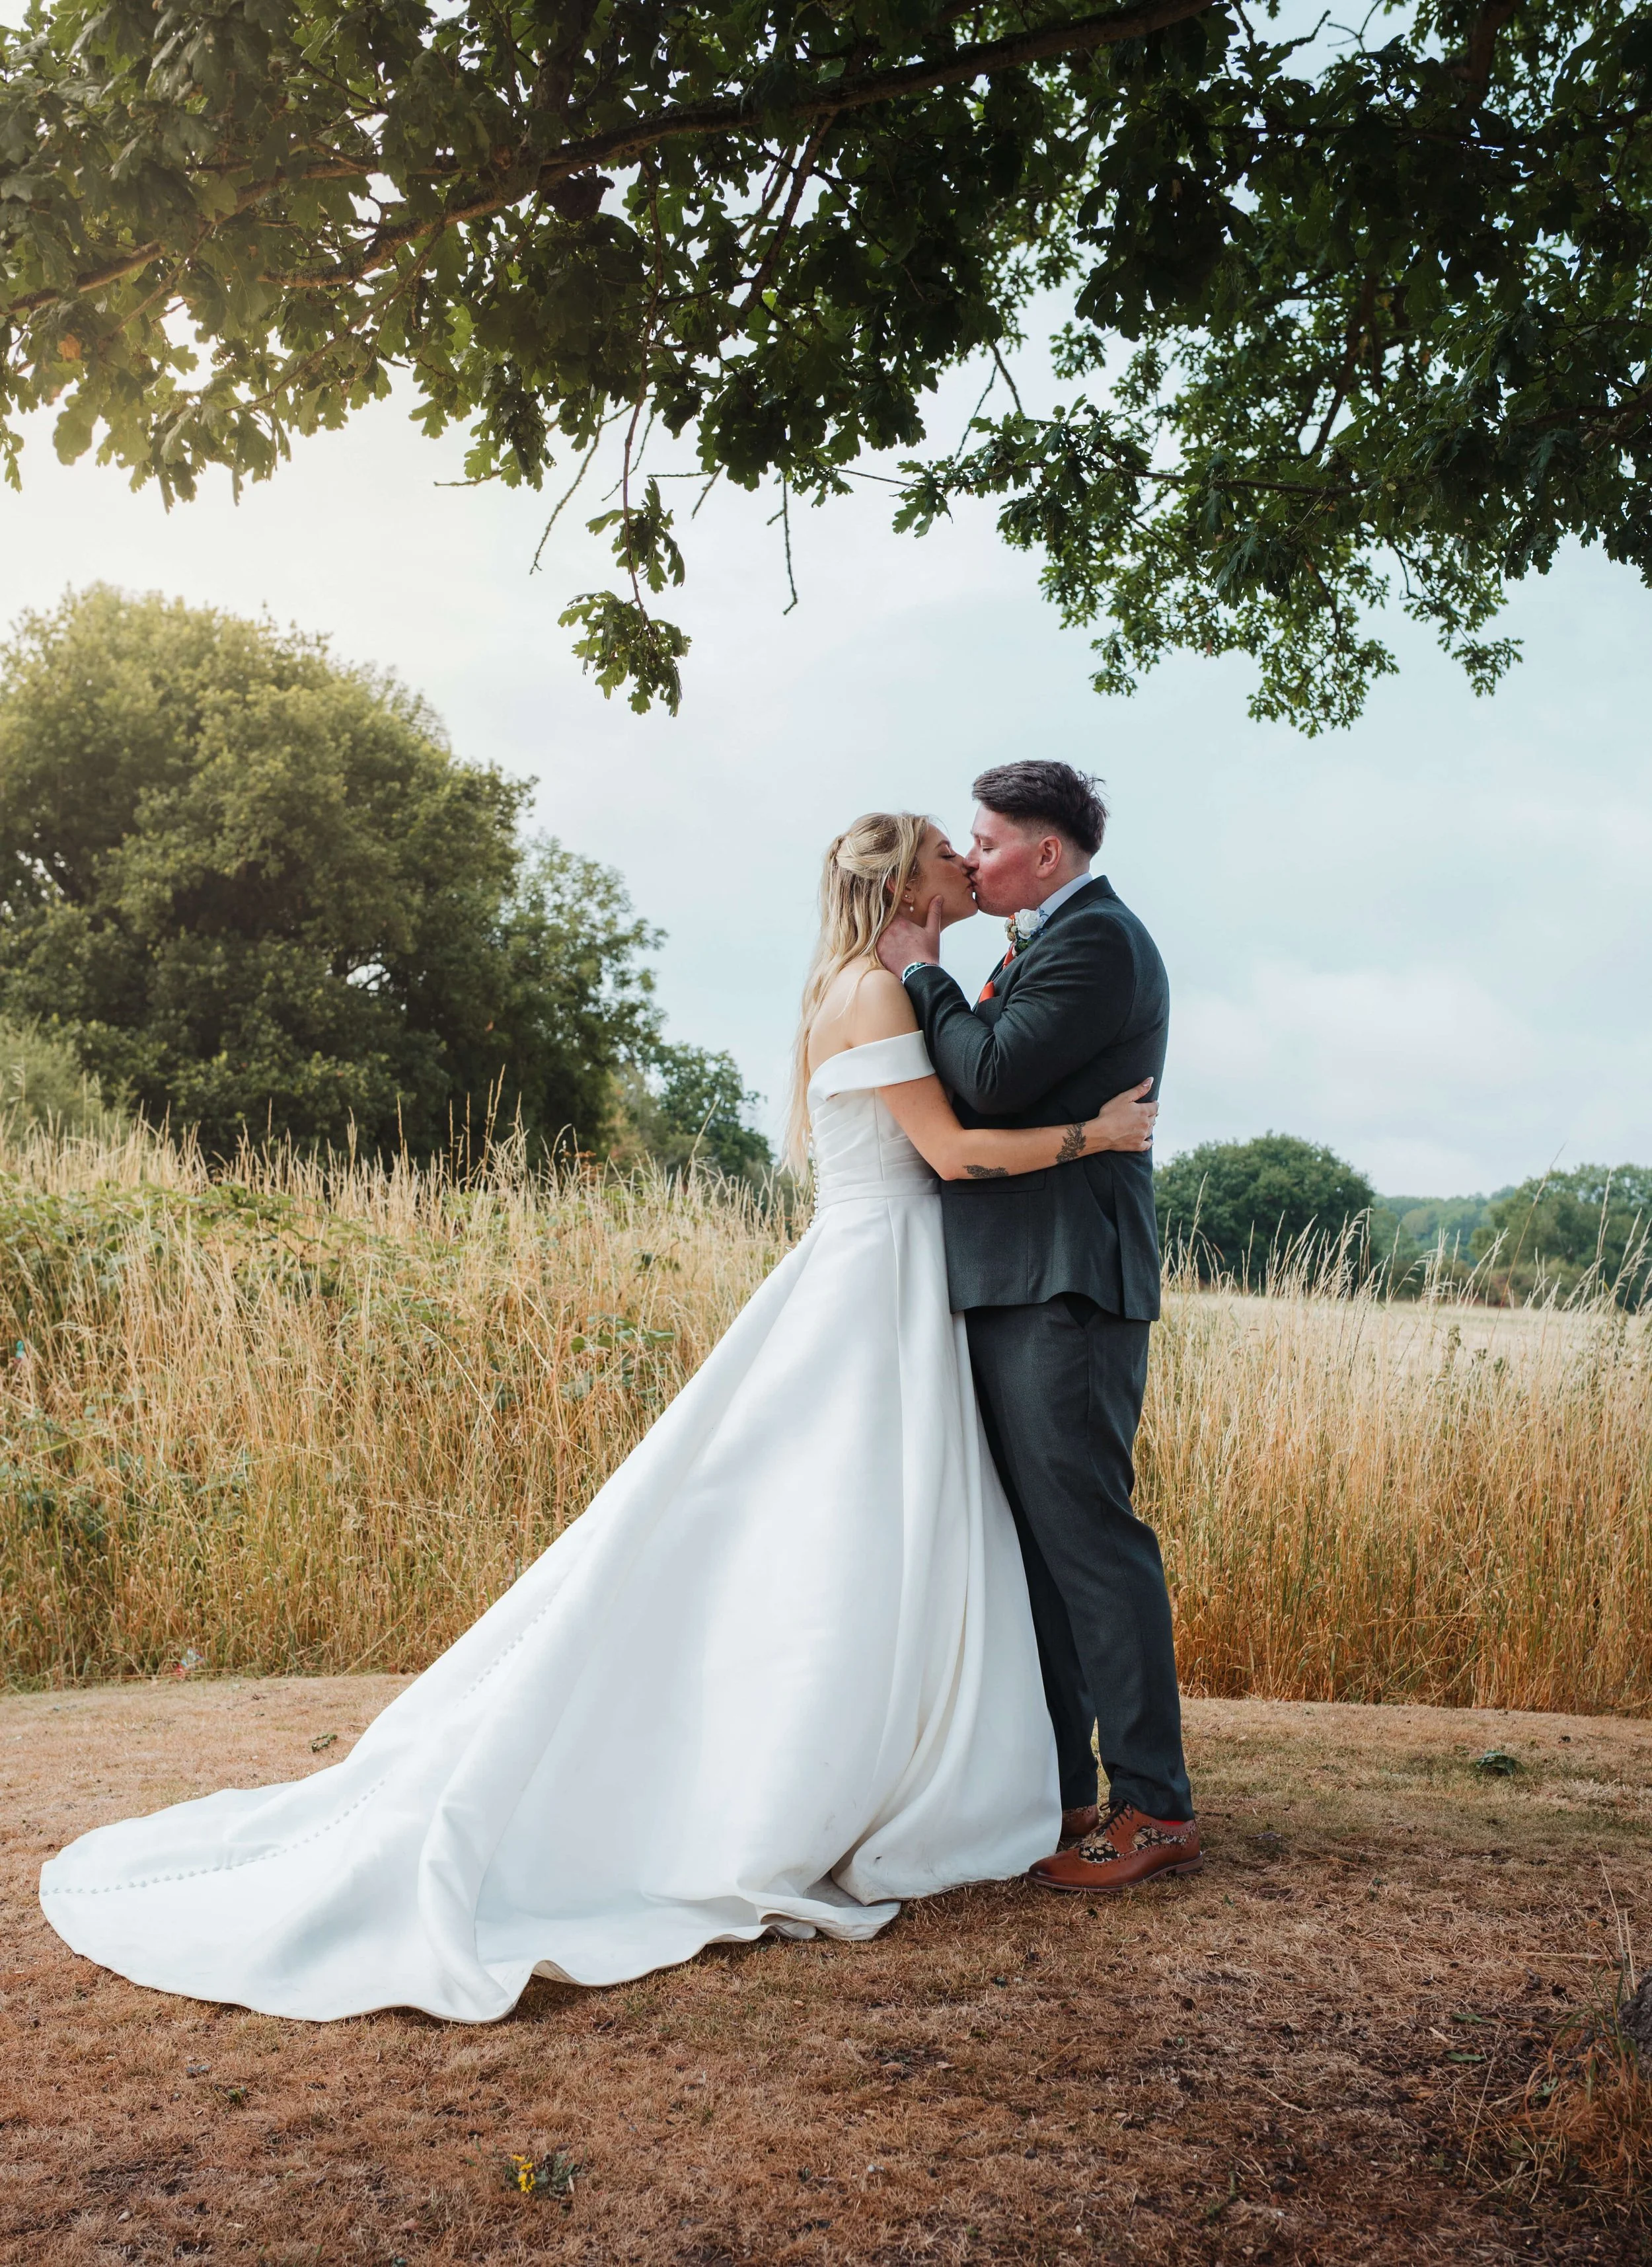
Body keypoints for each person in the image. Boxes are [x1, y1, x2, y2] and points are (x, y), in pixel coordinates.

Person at [39, 810, 1159, 2023]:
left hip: (893, 1284)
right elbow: (945, 1154)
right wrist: (1093, 1135)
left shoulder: (888, 980)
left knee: (869, 1533)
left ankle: (918, 1765)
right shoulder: (875, 994)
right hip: (873, 1281)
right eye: (950, 845)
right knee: (829, 1527)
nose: (966, 858)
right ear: (905, 878)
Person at [876, 761, 1199, 1895]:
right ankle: (1065, 1790)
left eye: (987, 841)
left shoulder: (1097, 942)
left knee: (1090, 1539)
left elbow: (996, 1081)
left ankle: (1155, 1802)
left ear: (1045, 853)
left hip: (1069, 1282)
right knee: (1037, 1553)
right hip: (1015, 1276)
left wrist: (924, 980)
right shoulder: (1039, 942)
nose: (970, 861)